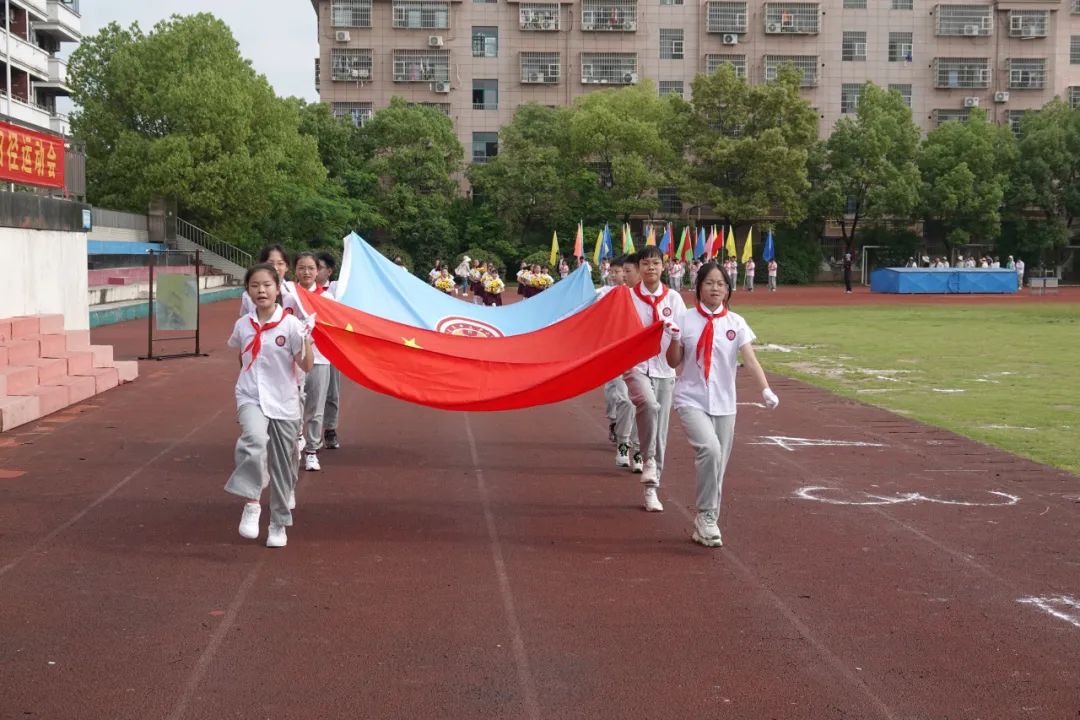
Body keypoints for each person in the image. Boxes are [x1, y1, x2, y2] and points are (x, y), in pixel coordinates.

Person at [666, 261, 778, 547]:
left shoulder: (735, 322)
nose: (715, 288)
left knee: (719, 464)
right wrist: (676, 338)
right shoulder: (686, 319)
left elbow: (749, 359)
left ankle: (707, 521)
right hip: (691, 397)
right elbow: (673, 362)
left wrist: (765, 389)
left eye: (721, 284)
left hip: (725, 403)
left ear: (728, 290)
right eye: (709, 283)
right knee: (710, 450)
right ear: (698, 287)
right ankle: (706, 515)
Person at [226, 263, 313, 548]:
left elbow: (305, 365)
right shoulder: (243, 325)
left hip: (284, 400)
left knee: (285, 466)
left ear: (278, 289)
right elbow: (242, 356)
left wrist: (307, 341)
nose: (261, 290)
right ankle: (252, 503)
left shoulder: (291, 325)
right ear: (248, 290)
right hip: (250, 395)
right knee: (253, 439)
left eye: (266, 285)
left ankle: (278, 524)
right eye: (254, 286)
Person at [624, 245, 687, 511]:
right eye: (646, 263)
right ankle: (647, 459)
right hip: (635, 365)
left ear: (664, 267)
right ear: (639, 268)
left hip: (663, 368)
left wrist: (674, 335)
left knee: (660, 431)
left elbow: (684, 338)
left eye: (656, 263)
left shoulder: (674, 299)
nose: (651, 268)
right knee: (649, 405)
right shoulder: (627, 297)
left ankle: (652, 489)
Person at [293, 253, 334, 473]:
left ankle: (311, 452)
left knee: (316, 408)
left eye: (310, 268)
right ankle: (298, 438)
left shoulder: (327, 299)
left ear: (318, 272)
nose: (306, 272)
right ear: (295, 270)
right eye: (301, 268)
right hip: (294, 361)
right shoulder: (289, 294)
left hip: (320, 358)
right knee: (294, 405)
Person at [316, 252, 342, 451]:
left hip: (330, 348)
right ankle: (306, 433)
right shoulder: (300, 291)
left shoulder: (335, 289)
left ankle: (330, 429)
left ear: (329, 271)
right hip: (307, 348)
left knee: (331, 391)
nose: (313, 271)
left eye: (319, 267)